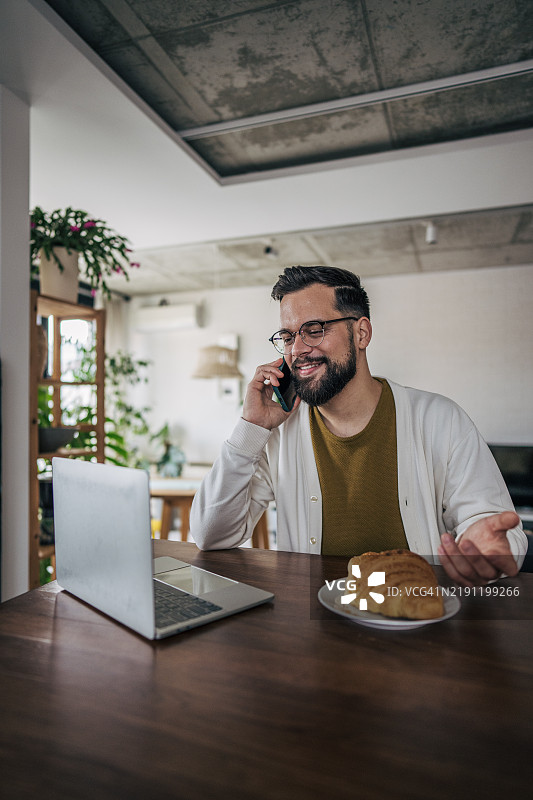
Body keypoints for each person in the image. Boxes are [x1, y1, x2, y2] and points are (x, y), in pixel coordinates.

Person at [190, 266, 527, 586]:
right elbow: (211, 535)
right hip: (310, 629)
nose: (298, 350)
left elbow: (492, 528)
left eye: (314, 330)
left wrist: (487, 550)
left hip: (417, 620)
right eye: (288, 336)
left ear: (361, 332)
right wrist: (251, 426)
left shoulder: (441, 420)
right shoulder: (278, 433)